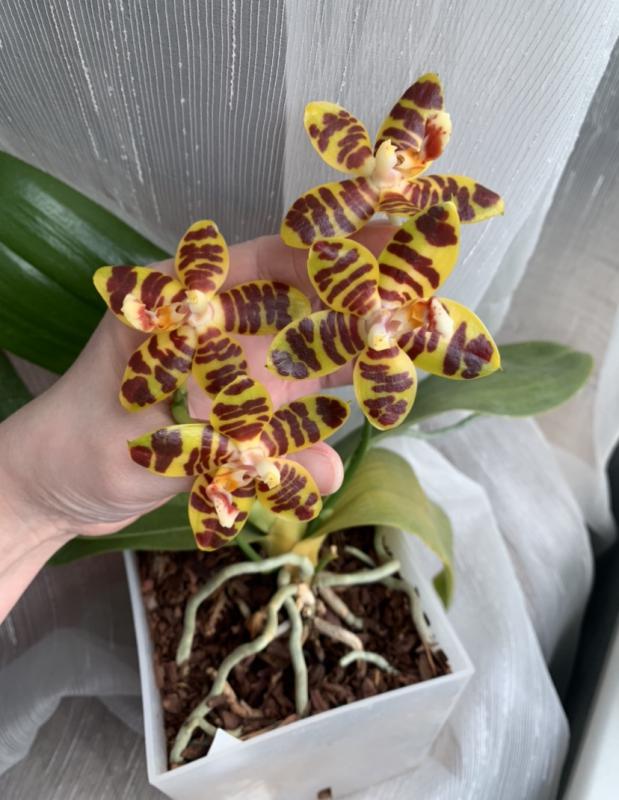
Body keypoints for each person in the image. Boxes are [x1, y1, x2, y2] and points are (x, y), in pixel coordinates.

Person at [0, 224, 393, 622]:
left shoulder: (225, 419)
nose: (192, 311)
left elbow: (260, 502)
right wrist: (34, 498)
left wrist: (35, 500)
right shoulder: (208, 386)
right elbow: (141, 386)